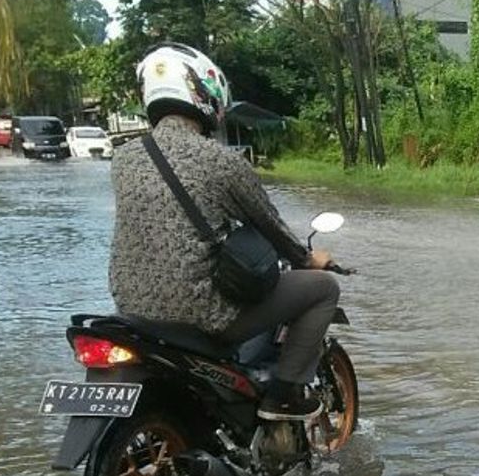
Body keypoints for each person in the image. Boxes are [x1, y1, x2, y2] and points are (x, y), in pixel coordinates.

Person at [109, 42, 337, 421]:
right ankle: (282, 396)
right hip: (201, 314)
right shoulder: (222, 161)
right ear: (206, 94)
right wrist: (309, 259)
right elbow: (269, 225)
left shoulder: (123, 159)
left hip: (129, 311)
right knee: (324, 289)